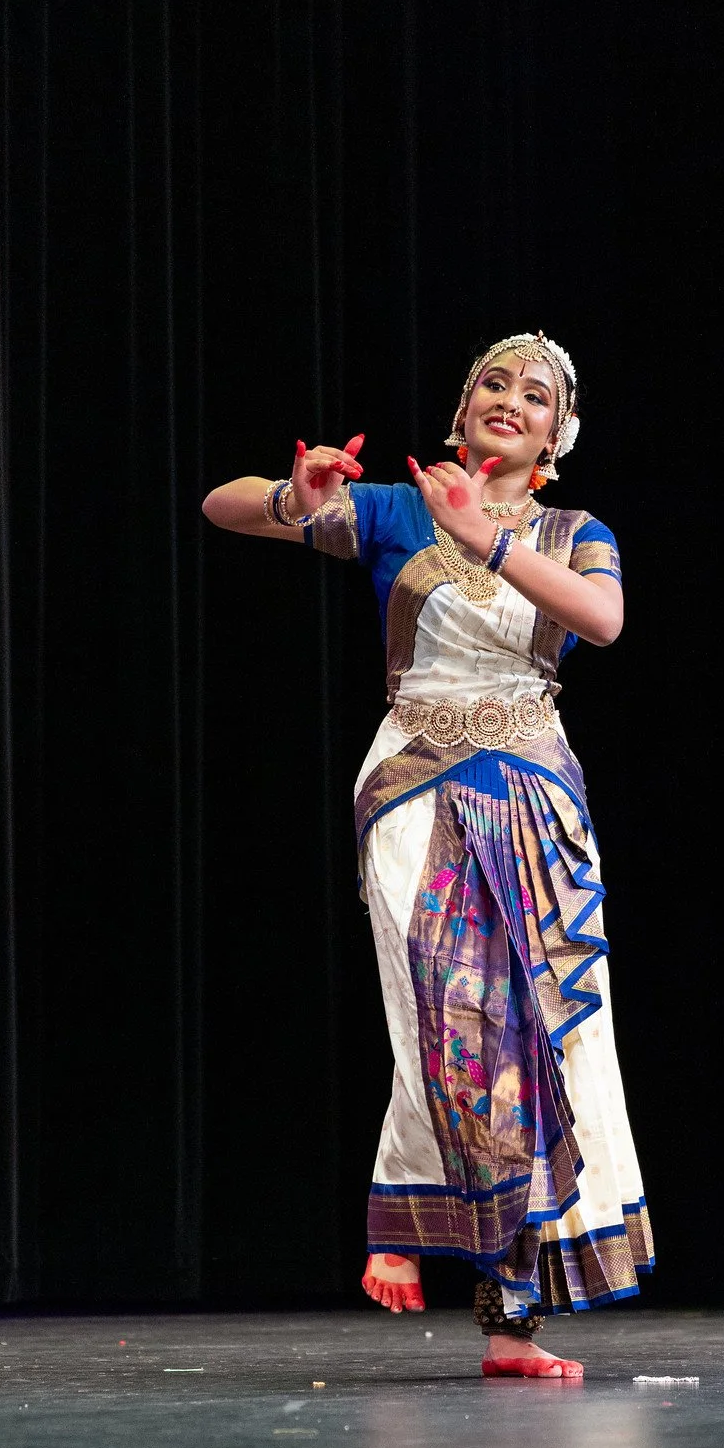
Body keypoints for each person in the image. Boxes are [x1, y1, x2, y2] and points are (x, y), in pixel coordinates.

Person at [201, 332, 652, 1380]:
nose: (508, 399)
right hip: (415, 778)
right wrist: (294, 494)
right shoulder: (396, 512)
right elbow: (222, 504)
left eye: (533, 394)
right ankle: (404, 1207)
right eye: (490, 383)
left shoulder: (573, 531)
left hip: (534, 794)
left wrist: (489, 541)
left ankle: (510, 1318)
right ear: (459, 415)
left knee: (548, 1034)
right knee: (447, 1004)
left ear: (555, 435)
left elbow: (604, 619)